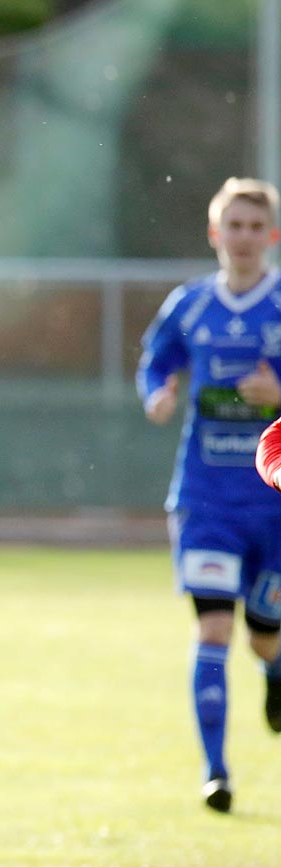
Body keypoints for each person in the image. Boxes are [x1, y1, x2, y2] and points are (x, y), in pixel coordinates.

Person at [139, 176, 281, 815]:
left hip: (274, 501)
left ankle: (275, 672)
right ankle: (216, 773)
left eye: (256, 227)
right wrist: (158, 391)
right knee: (214, 629)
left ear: (272, 236)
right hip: (206, 500)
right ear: (214, 233)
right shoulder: (191, 304)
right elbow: (155, 359)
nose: (244, 238)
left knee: (264, 637)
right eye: (235, 226)